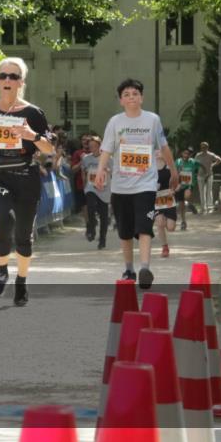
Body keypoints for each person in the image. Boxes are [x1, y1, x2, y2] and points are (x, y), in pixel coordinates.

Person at [0, 57, 54, 306]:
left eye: (13, 76)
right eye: (2, 75)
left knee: (24, 234)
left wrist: (31, 135)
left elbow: (49, 149)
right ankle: (2, 270)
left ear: (20, 82)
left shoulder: (32, 113)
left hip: (26, 177)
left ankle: (21, 281)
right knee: (6, 219)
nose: (7, 80)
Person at [95, 78, 178, 290]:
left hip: (146, 185)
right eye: (126, 95)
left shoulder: (152, 120)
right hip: (121, 185)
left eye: (135, 94)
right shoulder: (115, 122)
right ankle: (129, 268)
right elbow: (106, 149)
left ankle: (144, 268)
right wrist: (100, 170)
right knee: (124, 230)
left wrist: (173, 169)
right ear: (121, 100)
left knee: (144, 226)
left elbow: (164, 147)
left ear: (141, 97)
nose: (131, 97)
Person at [80, 136, 111, 249]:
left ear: (100, 146)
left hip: (104, 189)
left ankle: (102, 239)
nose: (92, 148)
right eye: (90, 146)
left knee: (104, 216)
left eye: (94, 146)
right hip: (91, 187)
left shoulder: (108, 158)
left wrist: (107, 170)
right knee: (91, 207)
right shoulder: (86, 158)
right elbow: (83, 171)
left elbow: (114, 172)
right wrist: (84, 185)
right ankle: (91, 228)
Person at [153, 149, 178, 258]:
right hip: (156, 200)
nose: (157, 153)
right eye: (155, 151)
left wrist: (174, 189)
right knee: (160, 223)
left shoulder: (170, 167)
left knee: (171, 227)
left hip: (168, 199)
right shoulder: (150, 168)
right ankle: (165, 247)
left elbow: (178, 182)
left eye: (160, 151)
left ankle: (171, 222)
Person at [174, 148, 200, 230]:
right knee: (181, 205)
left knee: (186, 196)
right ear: (182, 153)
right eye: (184, 153)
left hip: (189, 185)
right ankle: (183, 221)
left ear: (190, 155)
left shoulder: (193, 162)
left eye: (188, 154)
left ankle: (188, 203)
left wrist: (203, 175)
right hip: (179, 185)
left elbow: (199, 168)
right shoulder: (178, 162)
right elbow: (174, 172)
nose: (186, 155)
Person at [194, 142, 221, 213]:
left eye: (204, 147)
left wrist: (213, 165)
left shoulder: (211, 155)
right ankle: (203, 208)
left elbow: (219, 159)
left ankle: (209, 207)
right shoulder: (198, 155)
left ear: (207, 148)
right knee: (201, 192)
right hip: (200, 175)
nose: (203, 149)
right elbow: (194, 163)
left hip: (209, 175)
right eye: (202, 147)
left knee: (209, 191)